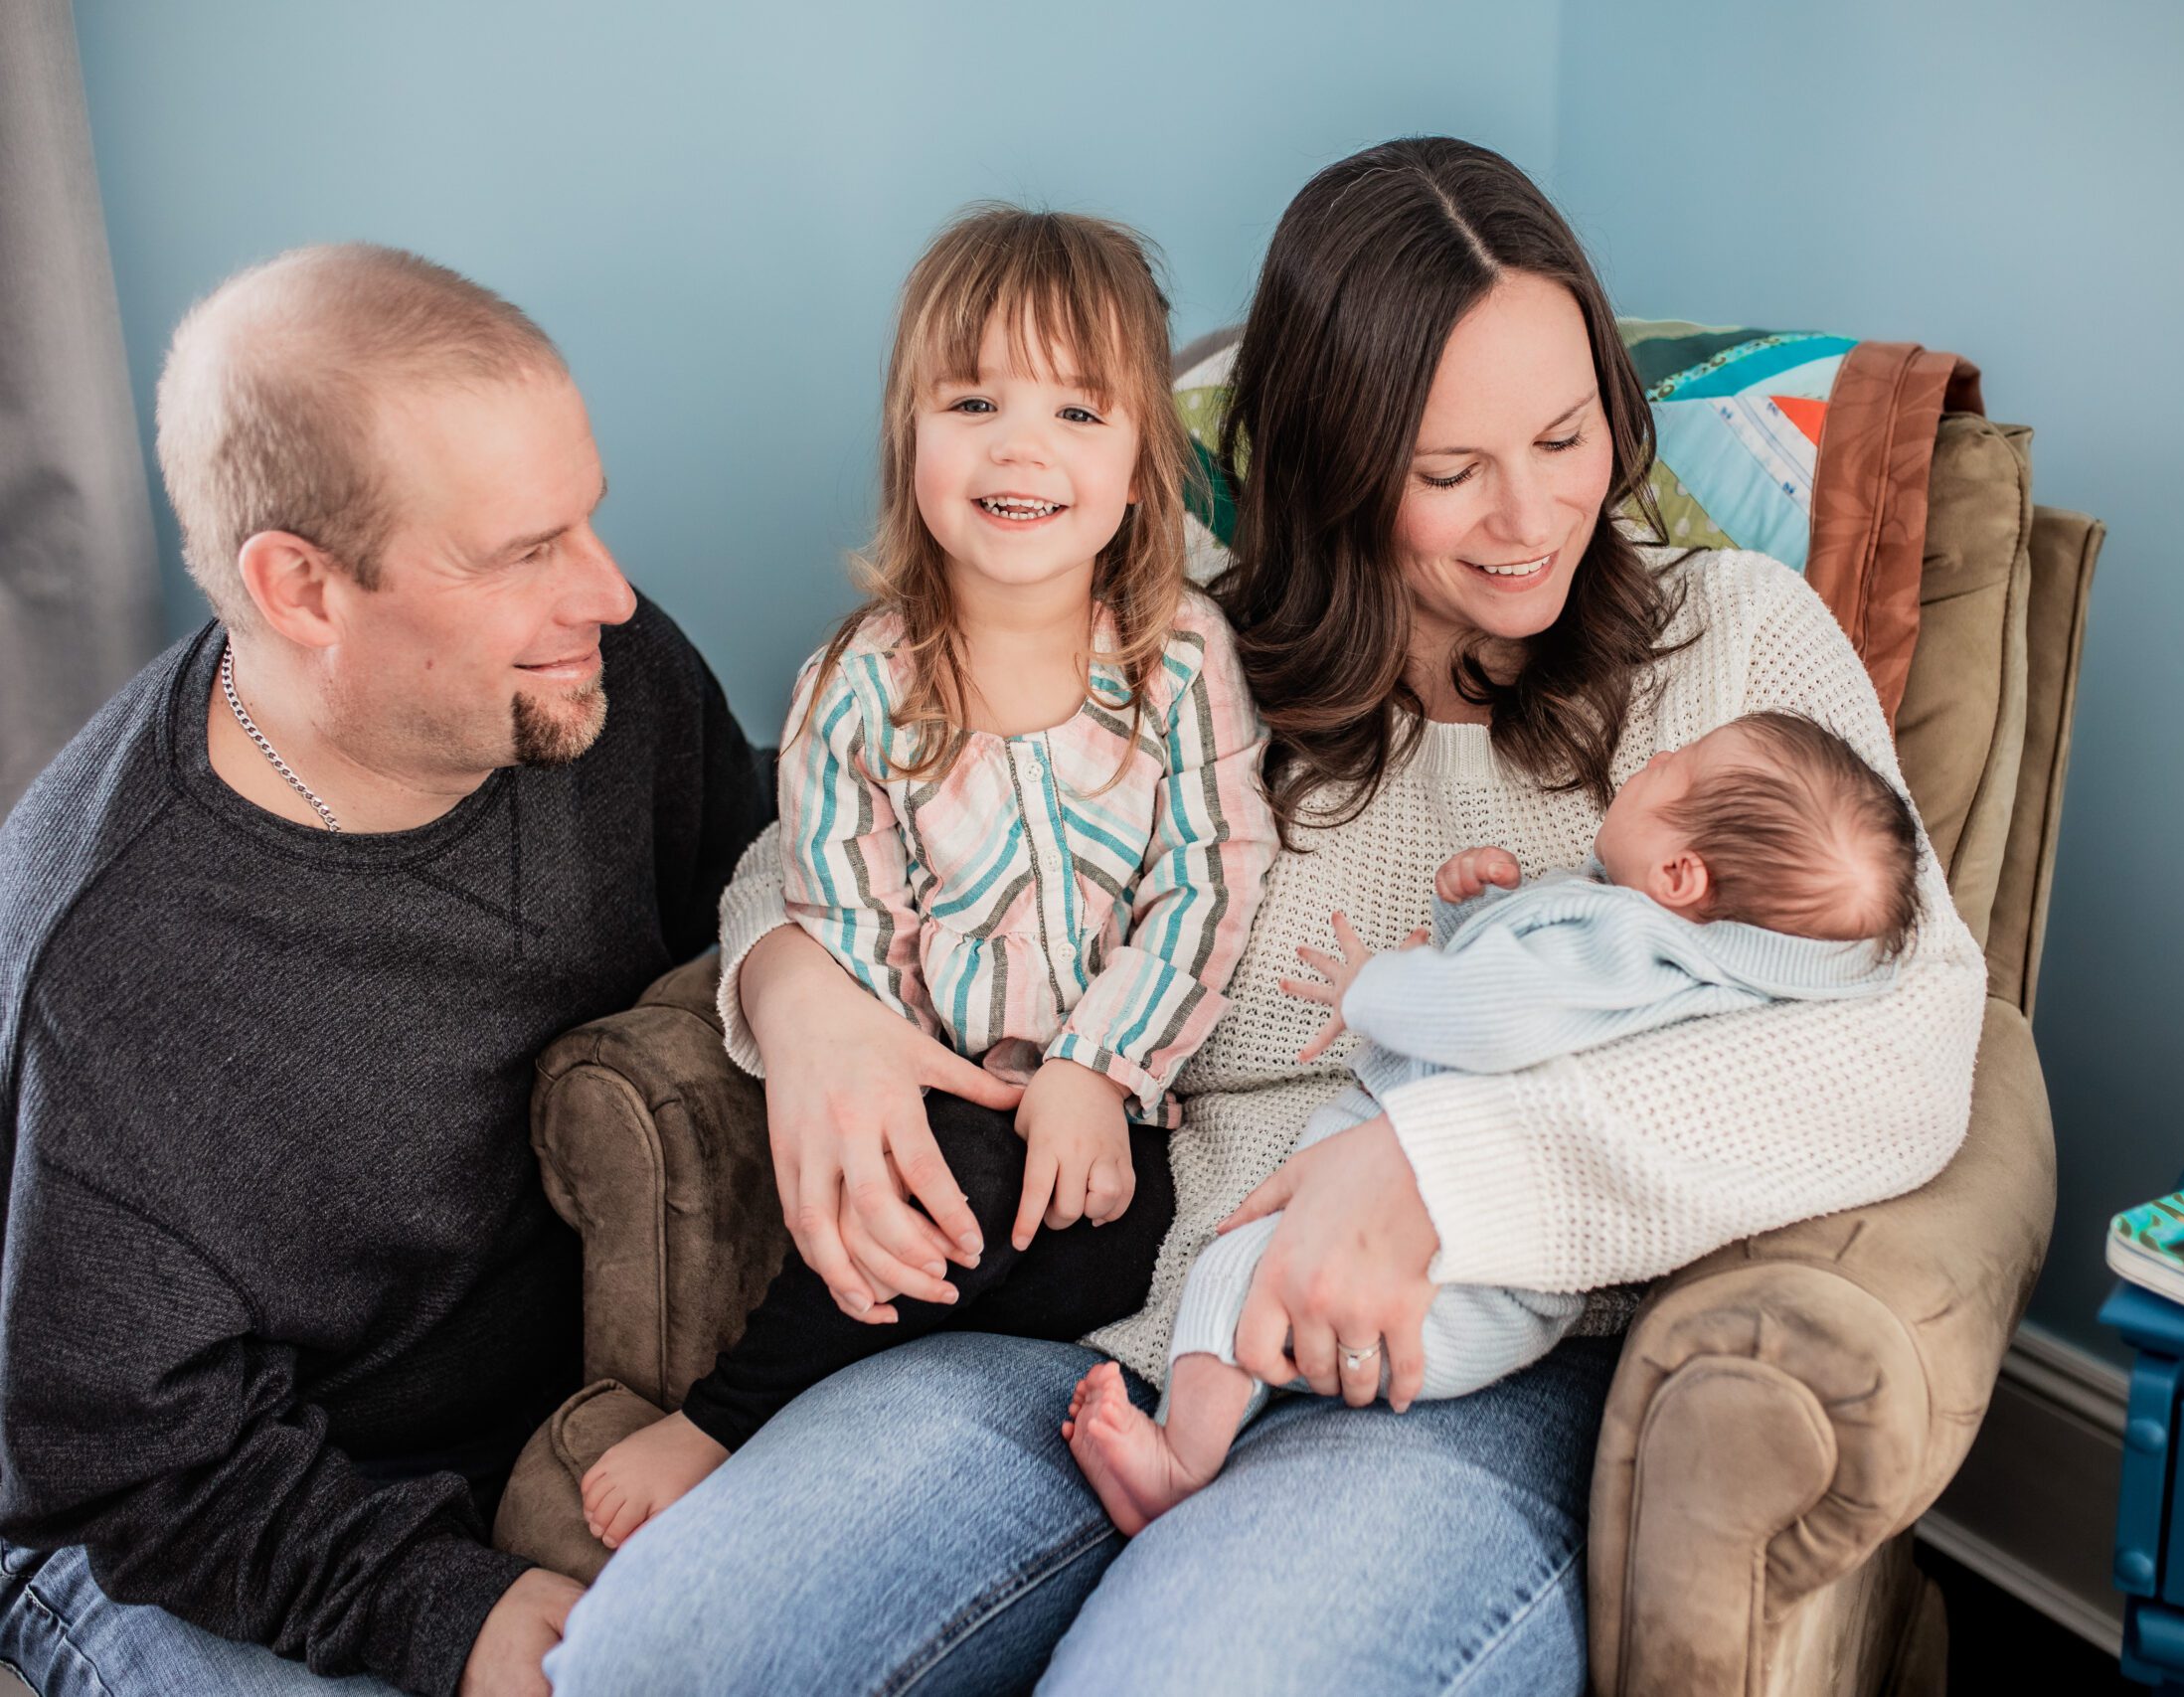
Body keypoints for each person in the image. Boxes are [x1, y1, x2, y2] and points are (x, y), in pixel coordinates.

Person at [546, 136, 1987, 1696]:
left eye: (1569, 436)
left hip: (1456, 1371)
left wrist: (1440, 1173)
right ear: (1327, 463)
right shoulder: (1176, 651)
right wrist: (801, 994)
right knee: (657, 1652)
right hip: (1118, 1310)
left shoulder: (1731, 651)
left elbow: (1908, 1029)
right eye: (1448, 473)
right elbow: (852, 808)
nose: (1531, 517)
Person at [0, 246, 793, 1696]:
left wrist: (808, 987)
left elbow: (757, 897)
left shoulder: (603, 692)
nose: (608, 594)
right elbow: (121, 1455)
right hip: (213, 1522)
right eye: (523, 552)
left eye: (588, 522)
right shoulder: (108, 966)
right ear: (300, 586)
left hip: (583, 1430)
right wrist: (447, 1608)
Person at [576, 206, 1276, 1552]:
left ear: (1141, 468)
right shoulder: (861, 683)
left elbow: (1211, 879)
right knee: (920, 1188)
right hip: (949, 1107)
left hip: (1117, 1132)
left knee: (1090, 1225)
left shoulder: (1180, 658)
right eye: (974, 401)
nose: (1021, 445)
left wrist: (1092, 1067)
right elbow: (849, 921)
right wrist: (923, 1079)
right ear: (913, 439)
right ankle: (748, 1407)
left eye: (1079, 410)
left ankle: (799, 1387)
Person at [1064, 709, 1924, 1534]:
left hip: (1448, 1276)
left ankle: (1177, 1464)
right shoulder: (1673, 959)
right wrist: (1473, 918)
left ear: (1679, 876)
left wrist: (1372, 991)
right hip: (1492, 1288)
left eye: (1677, 767)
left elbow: (1489, 1017)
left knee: (1234, 1273)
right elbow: (1535, 1006)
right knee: (1261, 1296)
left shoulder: (1624, 941)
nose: (1657, 757)